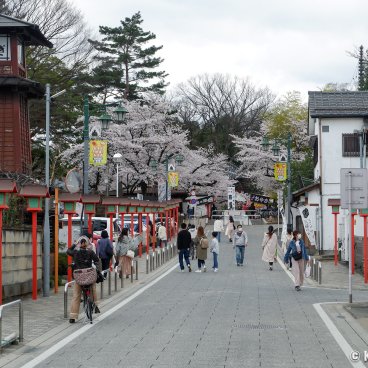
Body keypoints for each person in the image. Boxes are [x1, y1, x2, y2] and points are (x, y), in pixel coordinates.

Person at [67, 238, 100, 323]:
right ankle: (95, 305)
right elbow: (97, 260)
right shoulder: (90, 252)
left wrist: (74, 244)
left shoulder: (75, 252)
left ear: (79, 244)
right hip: (89, 276)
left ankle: (73, 316)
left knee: (76, 295)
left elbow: (68, 251)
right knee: (93, 289)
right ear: (87, 245)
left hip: (79, 277)